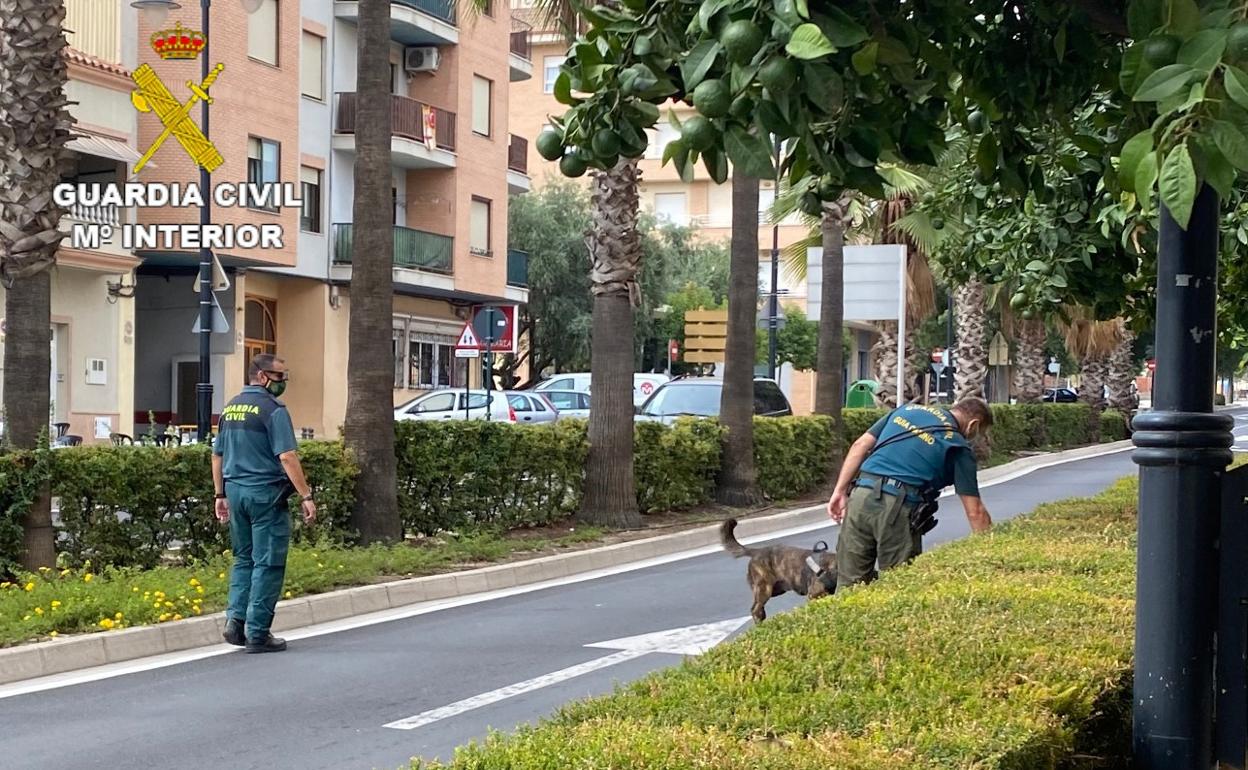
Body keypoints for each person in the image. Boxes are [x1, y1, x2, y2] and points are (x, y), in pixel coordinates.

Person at [827, 397, 994, 589]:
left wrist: (839, 491)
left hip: (860, 495)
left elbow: (860, 446)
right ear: (973, 424)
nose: (976, 438)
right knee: (898, 585)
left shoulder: (905, 411)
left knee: (849, 585)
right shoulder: (958, 446)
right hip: (897, 507)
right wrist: (991, 556)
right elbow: (976, 512)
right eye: (980, 433)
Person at [212, 354, 316, 653]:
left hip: (235, 492)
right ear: (261, 376)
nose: (283, 382)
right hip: (265, 495)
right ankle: (257, 632)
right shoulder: (274, 409)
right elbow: (287, 456)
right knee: (268, 562)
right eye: (279, 376)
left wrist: (219, 495)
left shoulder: (231, 408)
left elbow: (217, 455)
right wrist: (306, 495)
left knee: (243, 559)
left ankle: (235, 621)